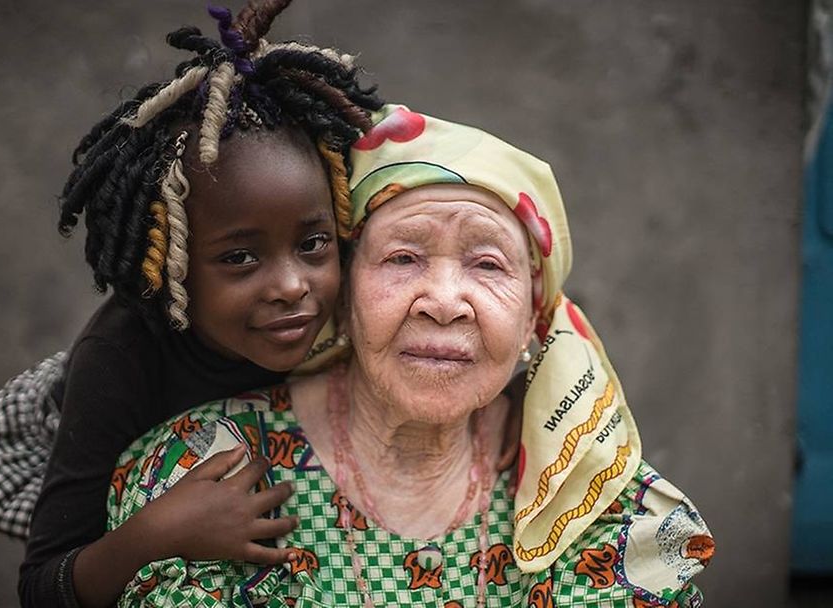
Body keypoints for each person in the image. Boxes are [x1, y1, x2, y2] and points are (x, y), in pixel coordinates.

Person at [105, 105, 716, 607]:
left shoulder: (599, 505)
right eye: (403, 258)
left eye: (488, 264)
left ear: (533, 315)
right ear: (344, 296)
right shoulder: (205, 471)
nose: (445, 303)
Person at [0, 2, 385, 606]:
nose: (293, 285)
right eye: (240, 258)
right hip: (89, 474)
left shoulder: (353, 300)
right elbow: (42, 587)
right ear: (171, 267)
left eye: (313, 244)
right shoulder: (121, 357)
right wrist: (156, 534)